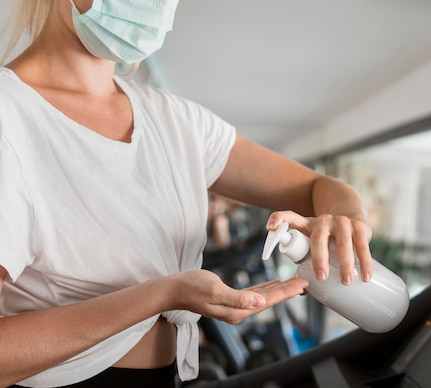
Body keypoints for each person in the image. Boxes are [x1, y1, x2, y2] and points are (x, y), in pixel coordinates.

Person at [0, 0, 374, 386]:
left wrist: (347, 222)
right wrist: (163, 295)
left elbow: (319, 187)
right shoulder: (9, 118)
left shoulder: (177, 121)